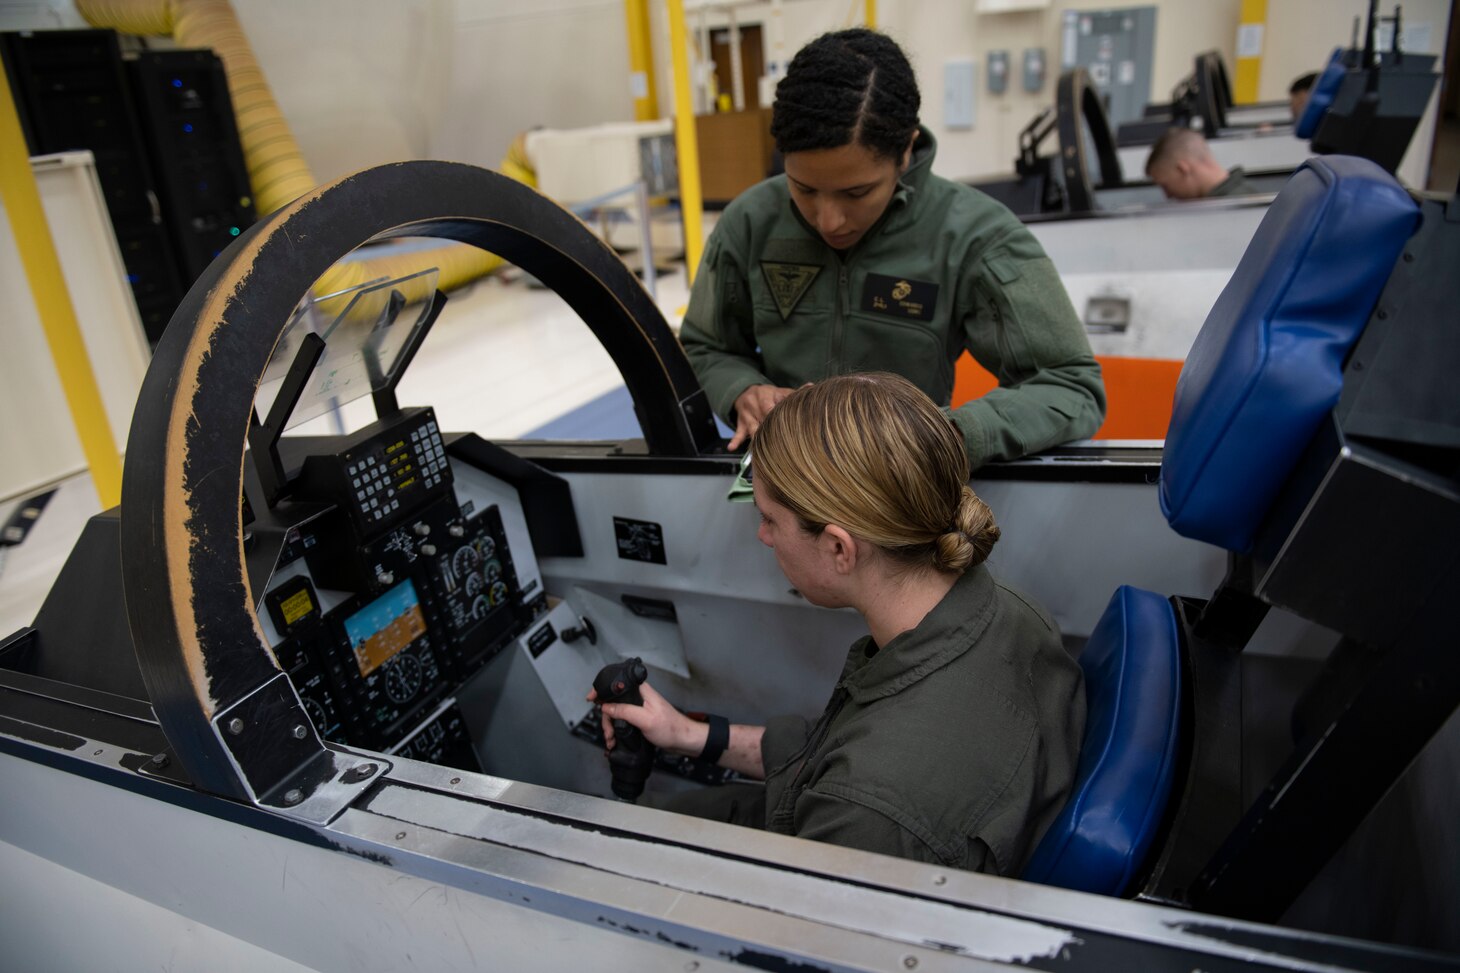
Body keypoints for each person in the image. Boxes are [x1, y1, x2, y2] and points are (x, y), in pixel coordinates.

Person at [592, 373, 1086, 876]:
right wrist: (690, 735)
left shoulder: (864, 814)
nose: (763, 536)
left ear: (838, 548)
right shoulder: (1008, 609)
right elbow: (834, 755)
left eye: (769, 519)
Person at [677, 29, 1105, 469]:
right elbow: (707, 346)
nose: (828, 220)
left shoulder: (976, 237)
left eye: (856, 193)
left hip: (906, 491)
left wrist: (946, 436)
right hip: (785, 485)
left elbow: (1070, 386)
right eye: (803, 189)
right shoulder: (750, 222)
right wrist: (743, 391)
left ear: (906, 150)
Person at [1144, 127, 1260, 199]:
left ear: (1183, 169)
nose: (1168, 196)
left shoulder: (1237, 209)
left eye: (1166, 186)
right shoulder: (1244, 198)